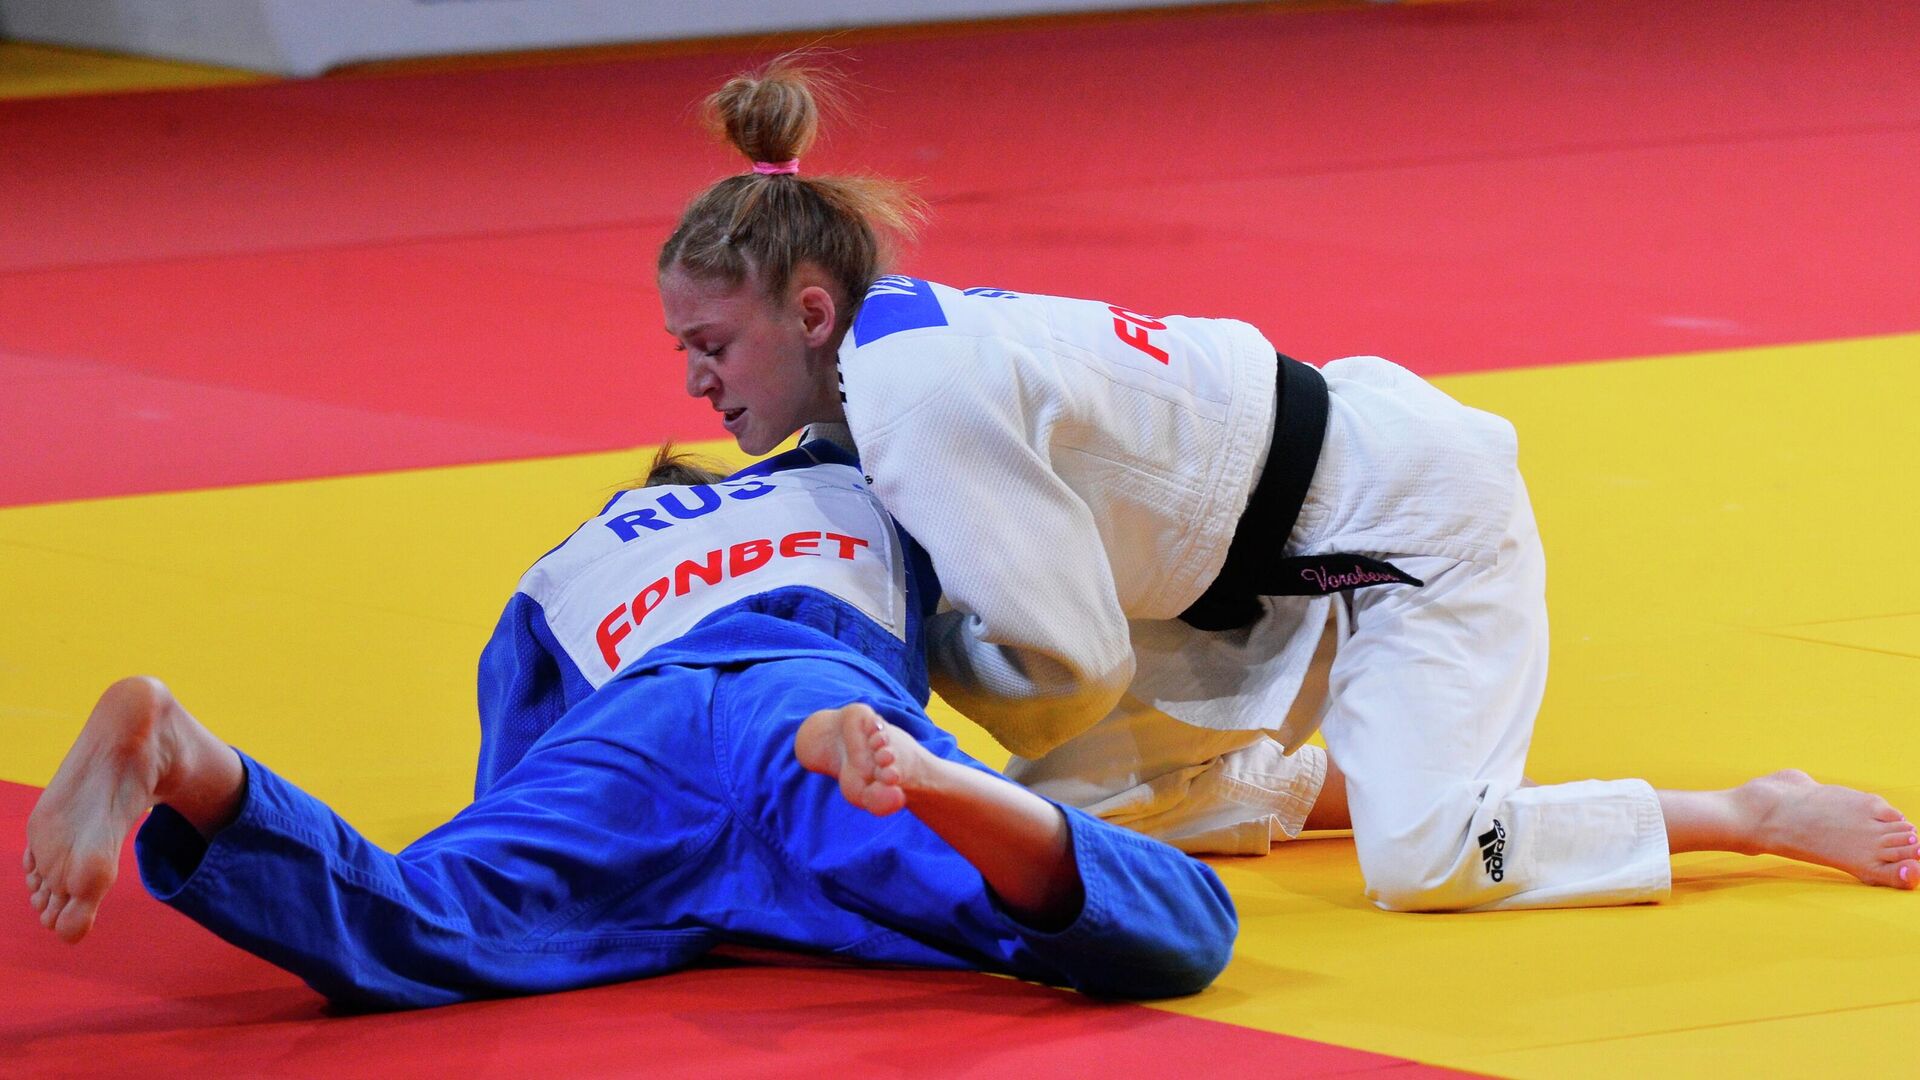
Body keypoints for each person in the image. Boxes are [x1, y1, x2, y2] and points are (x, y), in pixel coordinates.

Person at [655, 55, 1920, 911]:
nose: (699, 382)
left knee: (1428, 863)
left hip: (1410, 522)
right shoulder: (887, 348)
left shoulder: (914, 396)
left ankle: (1750, 812)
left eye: (712, 345)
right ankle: (1359, 771)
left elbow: (1076, 665)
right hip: (1258, 556)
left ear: (808, 312)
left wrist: (918, 655)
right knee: (1063, 814)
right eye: (684, 353)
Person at [21, 443, 1237, 1009]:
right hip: (809, 705)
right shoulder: (850, 491)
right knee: (1179, 934)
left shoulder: (566, 568)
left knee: (427, 920)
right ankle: (948, 790)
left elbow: (518, 758)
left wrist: (574, 868)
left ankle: (193, 762)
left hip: (628, 733)